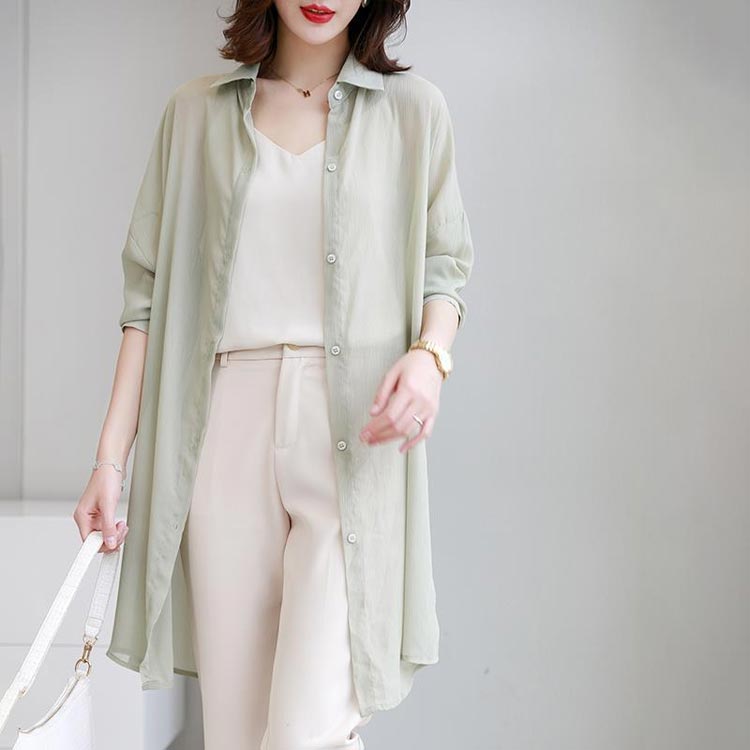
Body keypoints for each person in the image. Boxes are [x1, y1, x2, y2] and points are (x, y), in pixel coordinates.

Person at [73, 1, 474, 748]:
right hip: (223, 428)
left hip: (352, 432)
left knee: (305, 730)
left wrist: (430, 357)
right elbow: (145, 303)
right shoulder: (195, 114)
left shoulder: (414, 112)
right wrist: (109, 460)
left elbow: (444, 270)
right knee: (237, 733)